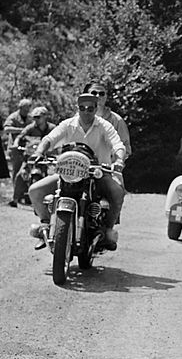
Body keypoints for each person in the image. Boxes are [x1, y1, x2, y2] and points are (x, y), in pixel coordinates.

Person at [27, 92, 126, 250]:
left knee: (117, 192)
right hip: (68, 173)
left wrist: (119, 160)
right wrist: (39, 152)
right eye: (82, 108)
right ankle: (45, 225)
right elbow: (49, 139)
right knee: (35, 190)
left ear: (95, 109)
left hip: (97, 173)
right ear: (77, 108)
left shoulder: (104, 126)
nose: (86, 112)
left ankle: (107, 230)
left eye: (90, 109)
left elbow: (118, 144)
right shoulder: (68, 124)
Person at [9, 106, 56, 207]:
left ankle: (54, 200)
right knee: (20, 175)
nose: (36, 120)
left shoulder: (52, 128)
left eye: (38, 117)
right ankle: (15, 199)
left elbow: (59, 138)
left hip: (47, 158)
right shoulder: (30, 127)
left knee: (54, 177)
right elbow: (20, 136)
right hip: (31, 157)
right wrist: (16, 144)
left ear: (45, 117)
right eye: (34, 117)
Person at [5, 98, 33, 204]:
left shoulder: (30, 118)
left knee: (27, 171)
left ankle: (25, 194)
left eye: (28, 109)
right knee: (17, 171)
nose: (27, 111)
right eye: (25, 109)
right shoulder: (13, 117)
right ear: (20, 108)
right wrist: (21, 131)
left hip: (28, 147)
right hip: (16, 148)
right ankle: (16, 195)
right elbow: (7, 129)